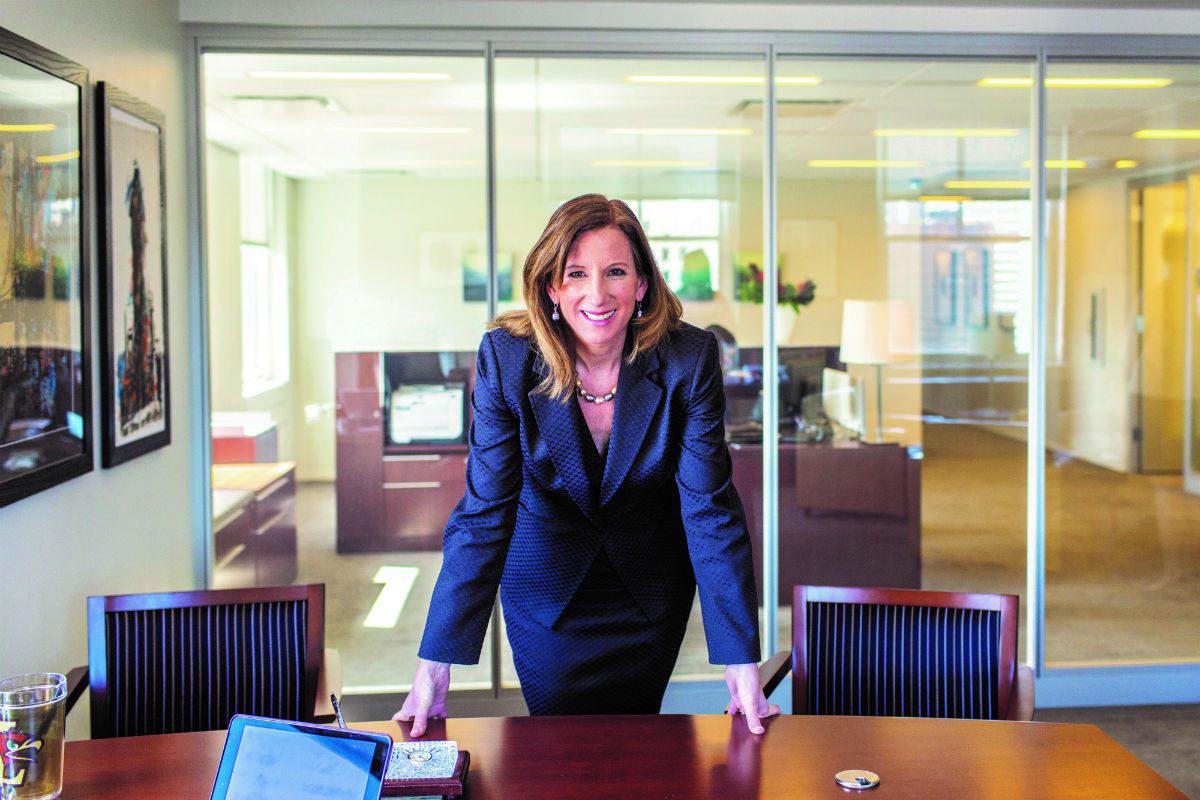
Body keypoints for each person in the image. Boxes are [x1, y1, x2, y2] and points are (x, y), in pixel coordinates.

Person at [396, 194, 778, 735]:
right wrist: (435, 662)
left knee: (638, 738)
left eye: (615, 271)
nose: (597, 293)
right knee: (557, 742)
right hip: (545, 586)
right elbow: (484, 512)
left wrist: (740, 658)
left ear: (641, 284)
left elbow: (710, 509)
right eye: (576, 273)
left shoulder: (687, 358)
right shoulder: (507, 358)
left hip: (649, 591)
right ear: (551, 287)